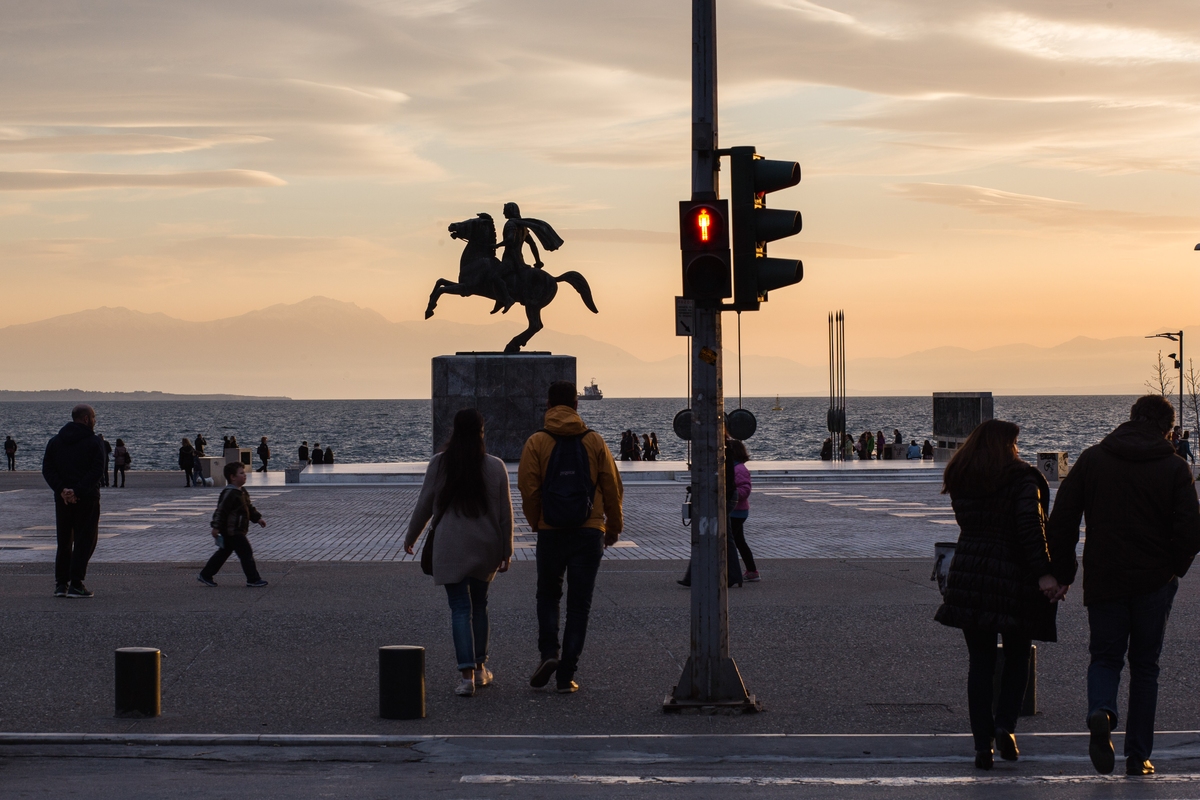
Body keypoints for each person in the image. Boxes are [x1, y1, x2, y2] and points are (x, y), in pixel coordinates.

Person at [1047, 395, 1200, 776]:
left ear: (1130, 418)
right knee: (1146, 666)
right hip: (1154, 580)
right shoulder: (1174, 467)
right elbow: (1190, 531)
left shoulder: (1093, 459)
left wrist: (1064, 573)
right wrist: (1173, 570)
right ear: (1167, 429)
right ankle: (1138, 755)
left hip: (1105, 576)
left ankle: (1102, 709)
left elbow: (1062, 520)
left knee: (1105, 657)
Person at [935, 419, 1063, 771]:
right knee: (1018, 656)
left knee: (980, 662)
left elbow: (970, 523)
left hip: (970, 572)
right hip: (1013, 577)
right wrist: (1045, 573)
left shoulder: (961, 475)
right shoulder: (1020, 478)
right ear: (1007, 445)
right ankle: (1005, 724)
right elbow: (1030, 529)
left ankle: (982, 744)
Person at [518, 381, 623, 694]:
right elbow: (611, 487)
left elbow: (528, 488)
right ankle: (566, 676)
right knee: (580, 605)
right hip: (589, 531)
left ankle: (549, 653)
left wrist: (537, 522)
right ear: (577, 406)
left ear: (549, 405)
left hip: (551, 531)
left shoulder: (537, 441)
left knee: (548, 595)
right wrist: (613, 527)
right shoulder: (594, 441)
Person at [404, 409, 514, 697]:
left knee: (459, 609)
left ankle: (466, 678)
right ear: (481, 432)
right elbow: (505, 514)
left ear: (454, 431)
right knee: (479, 605)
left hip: (450, 546)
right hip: (486, 545)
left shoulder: (440, 464)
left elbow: (424, 505)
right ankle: (480, 670)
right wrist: (507, 550)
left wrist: (410, 537)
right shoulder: (495, 466)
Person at [41, 404, 105, 598]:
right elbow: (97, 471)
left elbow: (47, 468)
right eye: (93, 417)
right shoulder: (95, 442)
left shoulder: (55, 441)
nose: (95, 421)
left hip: (63, 500)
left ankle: (61, 583)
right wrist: (77, 490)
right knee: (86, 539)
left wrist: (62, 490)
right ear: (86, 419)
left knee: (64, 539)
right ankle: (76, 583)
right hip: (86, 498)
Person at [197, 462, 269, 588]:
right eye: (241, 473)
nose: (245, 475)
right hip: (232, 530)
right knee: (246, 552)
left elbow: (249, 507)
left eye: (244, 473)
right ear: (232, 477)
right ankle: (253, 579)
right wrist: (216, 527)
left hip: (237, 529)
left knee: (223, 553)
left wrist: (257, 518)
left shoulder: (242, 491)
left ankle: (205, 574)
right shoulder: (229, 493)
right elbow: (221, 511)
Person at [728, 440, 758, 582]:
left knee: (729, 542)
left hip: (736, 511)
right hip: (737, 511)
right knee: (739, 541)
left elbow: (745, 490)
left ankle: (731, 572)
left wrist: (729, 493)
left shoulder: (739, 469)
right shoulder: (734, 467)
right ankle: (752, 571)